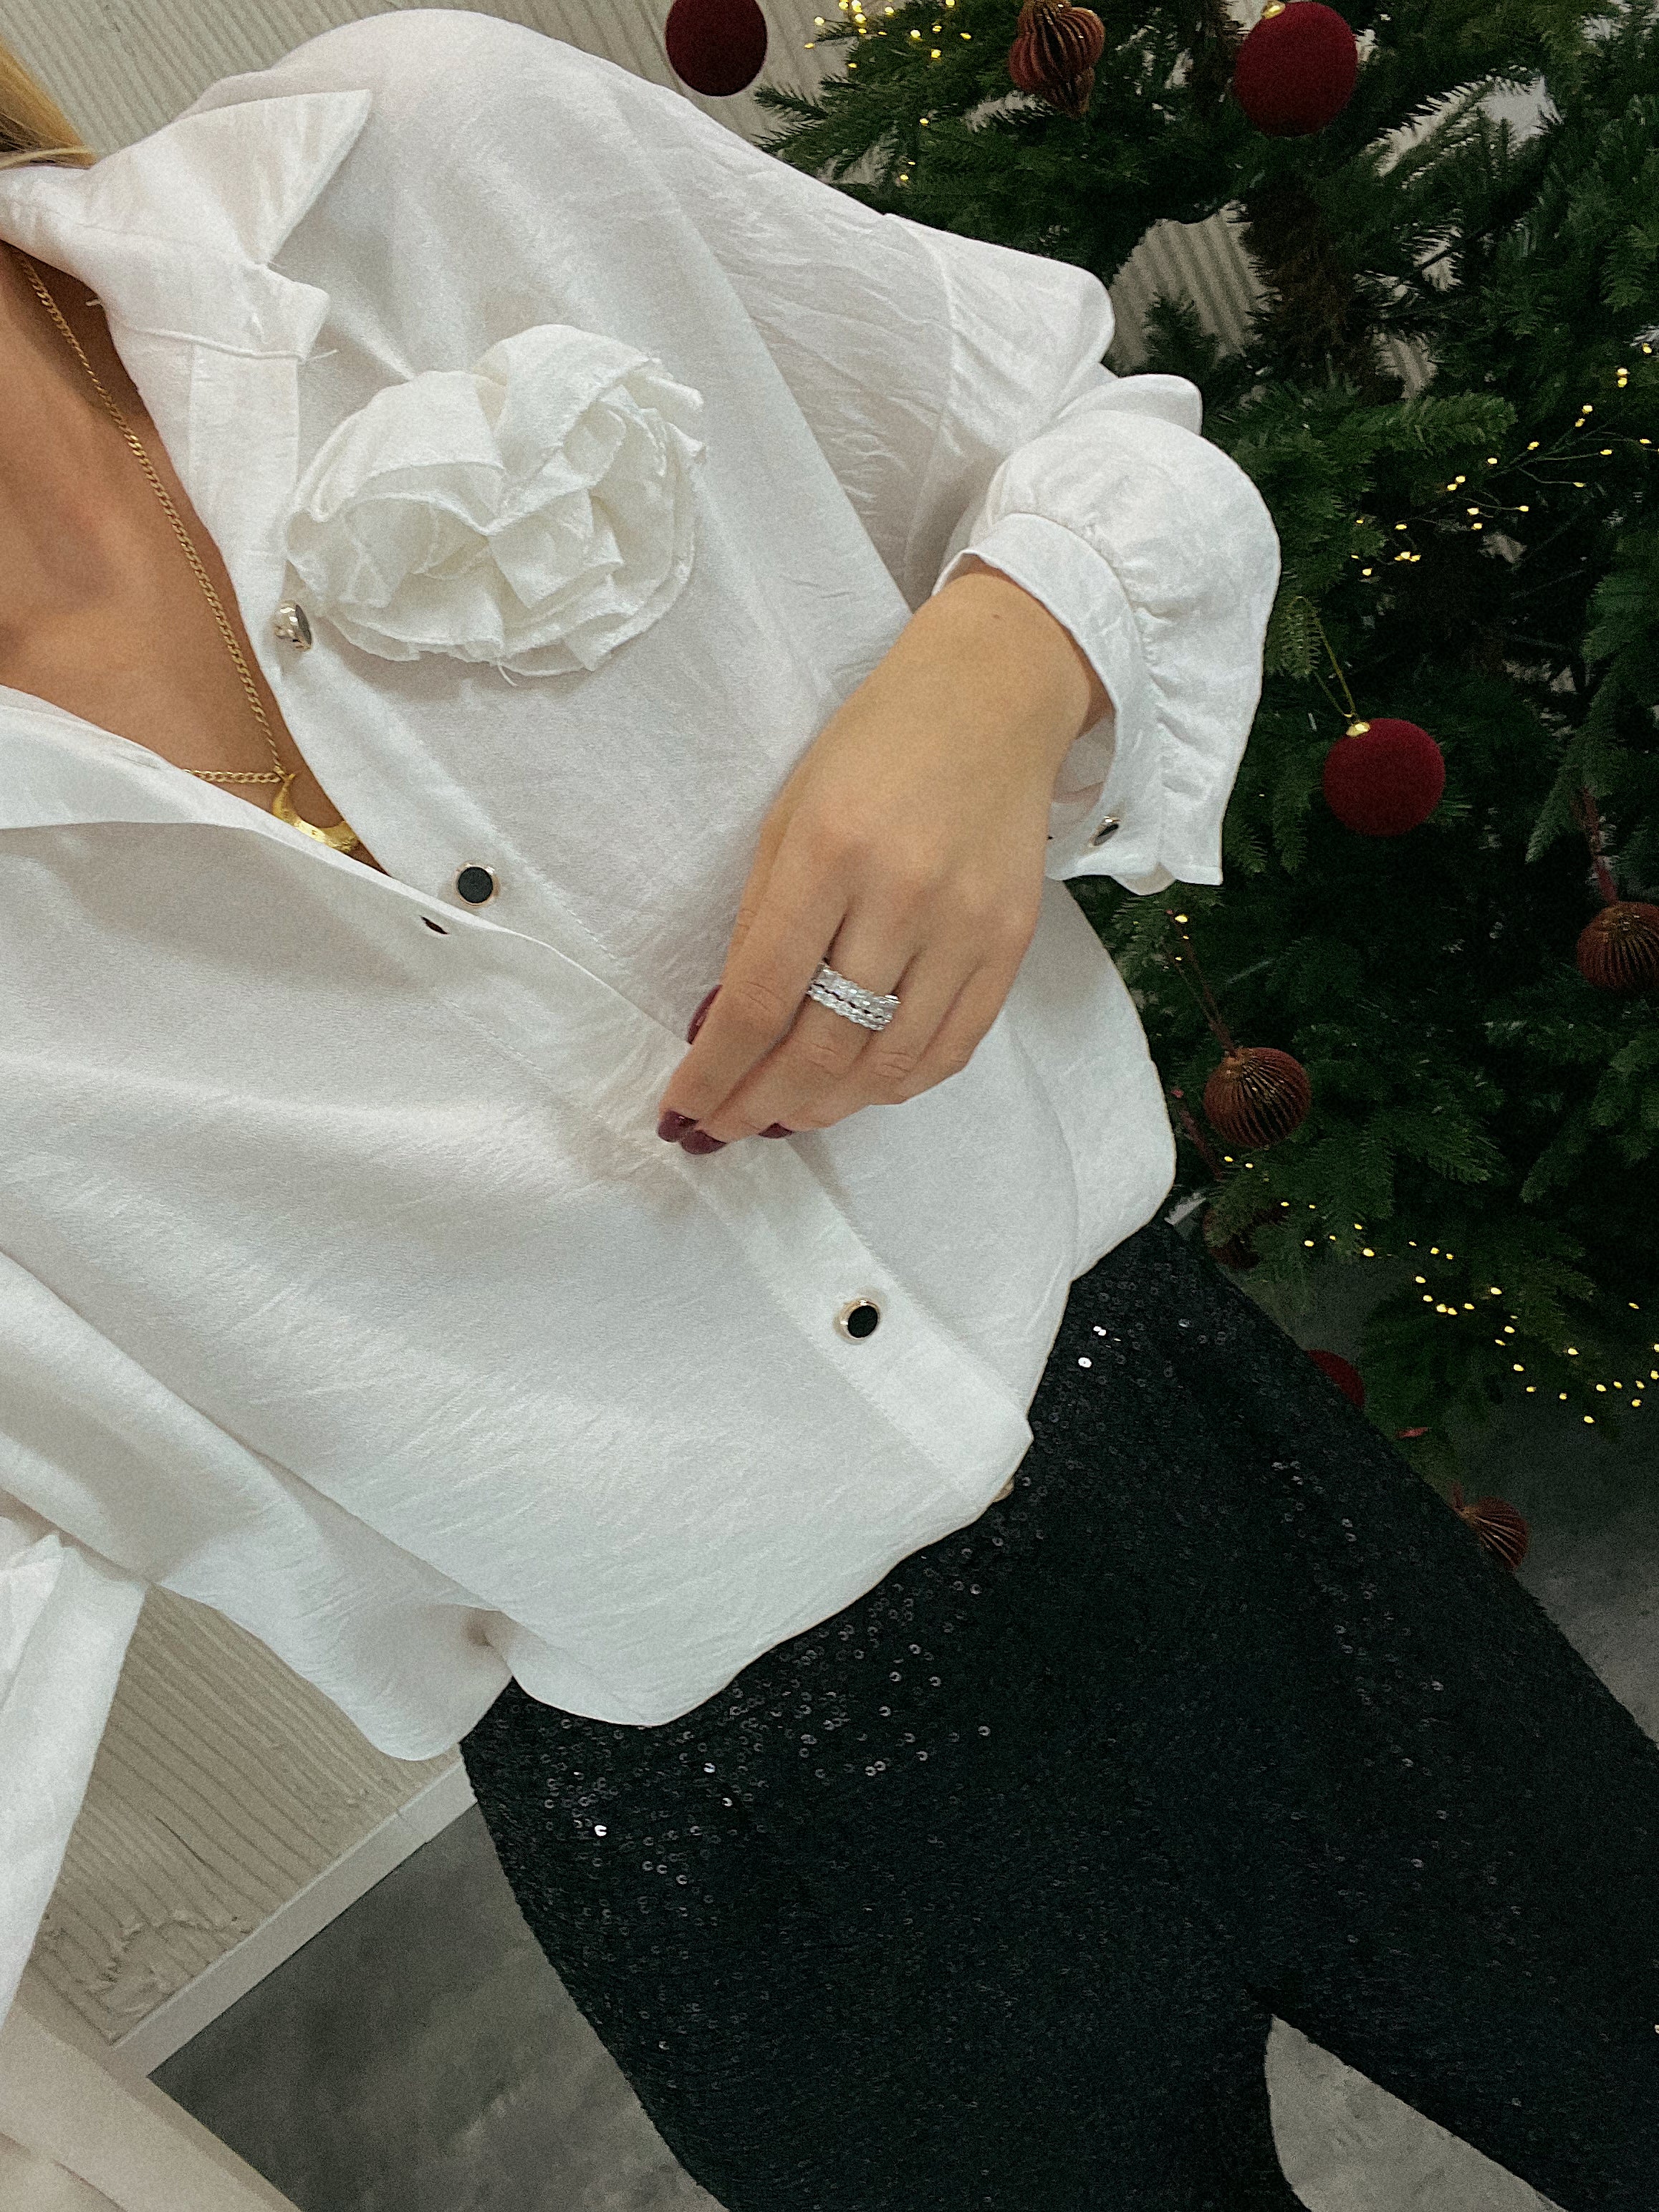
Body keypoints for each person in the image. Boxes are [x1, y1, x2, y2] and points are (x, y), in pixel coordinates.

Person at [0, 13, 1655, 2208]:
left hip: (1213, 1494)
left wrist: (1002, 662)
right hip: (745, 1865)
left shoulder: (424, 169)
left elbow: (1095, 447)